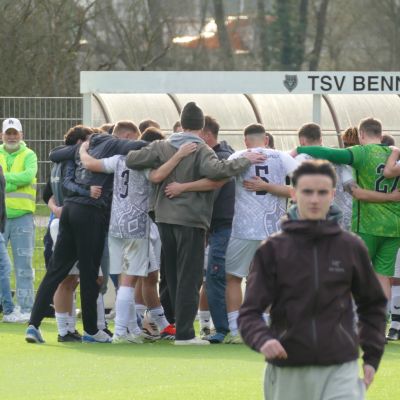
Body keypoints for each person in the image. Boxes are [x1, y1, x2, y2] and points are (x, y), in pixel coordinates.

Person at [238, 160, 387, 400]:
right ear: (294, 194)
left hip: (341, 367)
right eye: (307, 192)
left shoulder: (350, 247)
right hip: (287, 367)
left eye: (322, 192)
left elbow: (373, 305)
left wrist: (372, 357)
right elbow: (249, 312)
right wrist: (262, 339)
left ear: (332, 195)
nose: (315, 199)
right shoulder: (273, 249)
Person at [125, 102, 265, 345]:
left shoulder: (161, 145)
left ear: (181, 123)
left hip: (163, 218)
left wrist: (158, 167)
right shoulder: (201, 149)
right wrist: (245, 159)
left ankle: (176, 324)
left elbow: (132, 159)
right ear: (201, 127)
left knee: (172, 276)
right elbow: (218, 171)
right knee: (189, 278)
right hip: (190, 220)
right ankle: (185, 334)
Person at [25, 123, 147, 344]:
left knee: (55, 271)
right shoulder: (113, 144)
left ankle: (33, 325)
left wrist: (82, 148)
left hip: (70, 210)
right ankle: (91, 329)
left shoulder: (83, 148)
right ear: (125, 136)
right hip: (90, 213)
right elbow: (140, 145)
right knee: (90, 273)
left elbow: (55, 154)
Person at [79, 128, 195, 343]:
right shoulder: (145, 163)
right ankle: (121, 333)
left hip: (116, 224)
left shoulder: (118, 159)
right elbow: (158, 176)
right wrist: (179, 155)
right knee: (129, 280)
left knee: (138, 276)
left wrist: (83, 150)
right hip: (136, 226)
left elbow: (90, 164)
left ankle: (135, 327)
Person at [295, 117, 400, 300]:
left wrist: (299, 149)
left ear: (361, 134)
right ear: (381, 134)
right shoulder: (395, 157)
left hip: (368, 225)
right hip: (394, 227)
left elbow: (329, 153)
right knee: (383, 276)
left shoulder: (362, 152)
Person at [224, 123, 298, 344]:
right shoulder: (282, 157)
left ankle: (236, 331)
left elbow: (220, 179)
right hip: (273, 229)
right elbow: (301, 189)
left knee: (232, 278)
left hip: (243, 228)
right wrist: (271, 187)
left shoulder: (237, 156)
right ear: (266, 139)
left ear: (245, 140)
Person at [0, 118, 37, 320]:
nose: (12, 137)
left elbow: (28, 176)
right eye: (8, 133)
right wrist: (16, 181)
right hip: (1, 217)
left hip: (22, 216)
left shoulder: (29, 154)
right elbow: (22, 178)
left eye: (15, 133)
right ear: (2, 135)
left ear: (21, 135)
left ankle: (26, 309)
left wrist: (4, 180)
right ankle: (6, 307)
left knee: (24, 267)